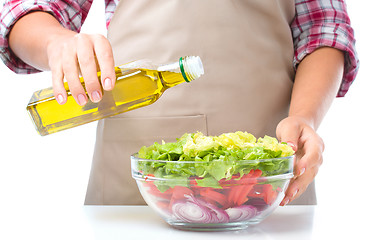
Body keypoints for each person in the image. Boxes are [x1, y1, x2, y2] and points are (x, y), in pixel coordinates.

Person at [0, 0, 359, 206]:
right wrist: (56, 42)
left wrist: (303, 117)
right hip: (135, 178)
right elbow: (23, 13)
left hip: (265, 175)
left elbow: (325, 32)